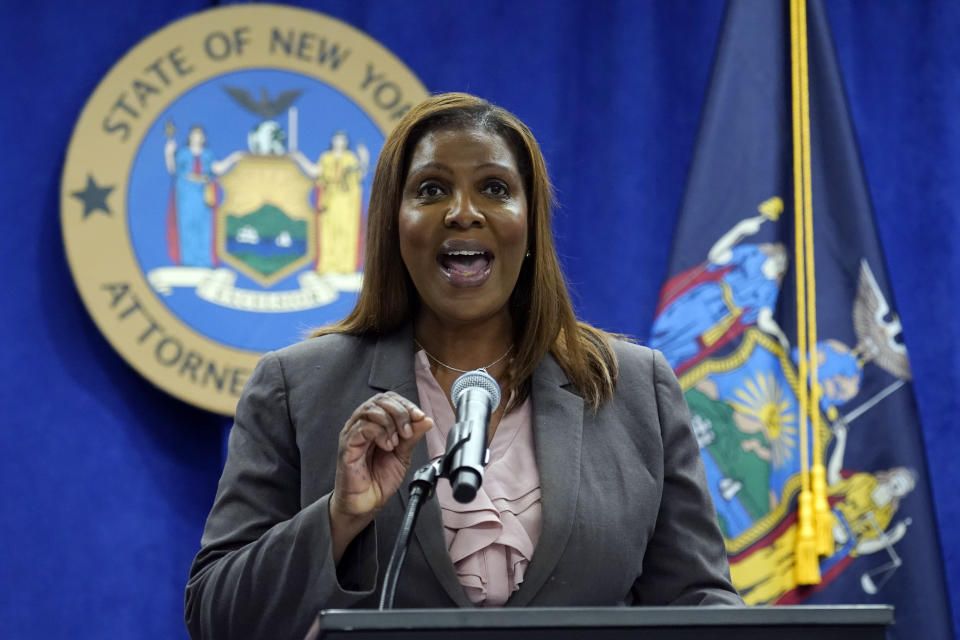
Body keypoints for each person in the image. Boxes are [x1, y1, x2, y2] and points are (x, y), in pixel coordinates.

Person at [184, 93, 742, 640]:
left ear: (530, 226)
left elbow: (697, 599)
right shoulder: (297, 387)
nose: (463, 213)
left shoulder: (634, 387)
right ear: (394, 225)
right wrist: (339, 518)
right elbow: (217, 617)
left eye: (495, 189)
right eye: (431, 190)